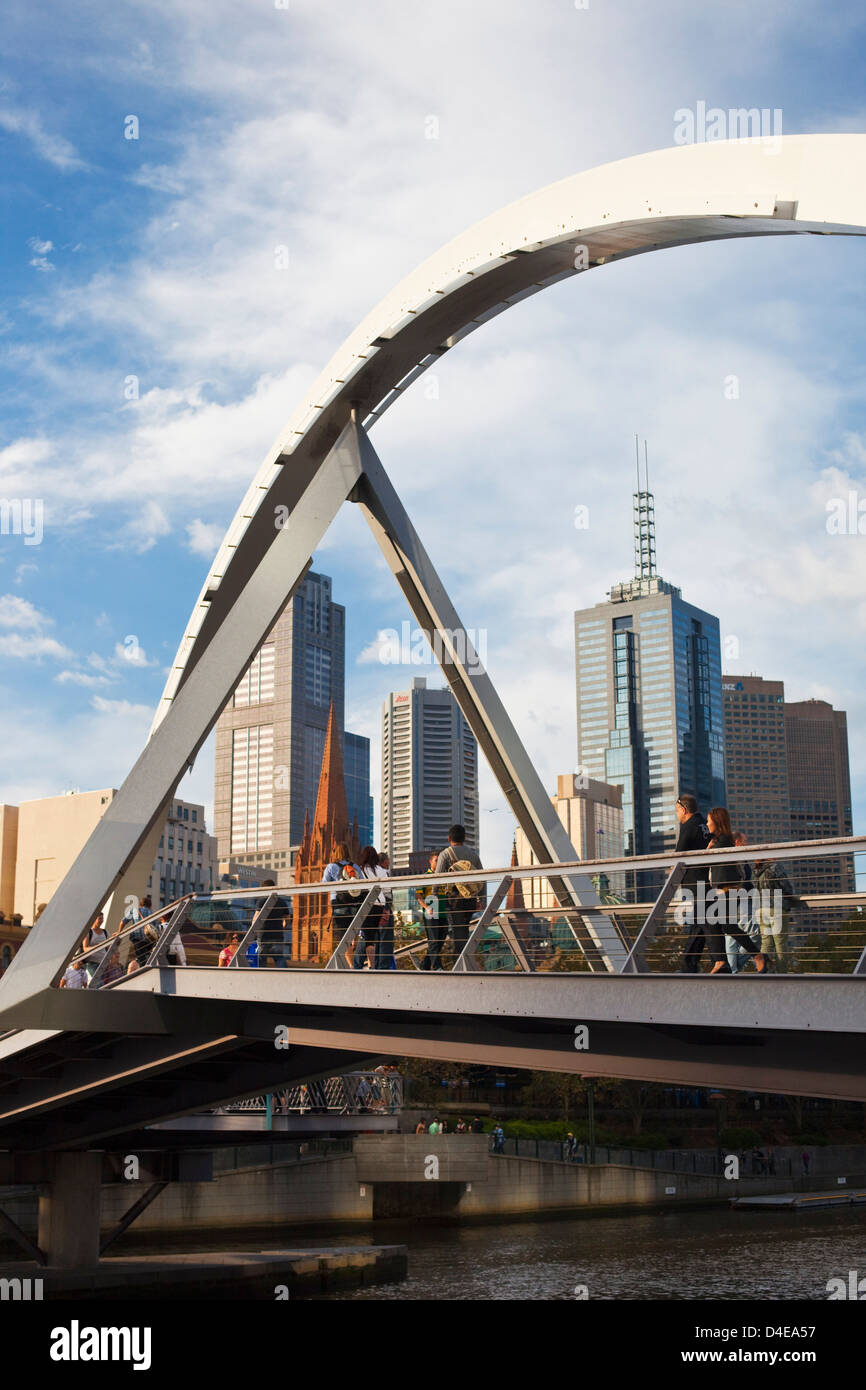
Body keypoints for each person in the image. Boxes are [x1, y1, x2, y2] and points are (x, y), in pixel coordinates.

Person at [704, 808, 766, 975]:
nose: (707, 824)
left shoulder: (723, 841)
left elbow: (710, 860)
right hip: (721, 889)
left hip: (728, 889)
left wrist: (709, 849)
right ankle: (725, 961)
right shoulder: (719, 840)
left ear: (717, 822)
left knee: (727, 926)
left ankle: (755, 956)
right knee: (720, 924)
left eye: (709, 820)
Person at [673, 795, 712, 972]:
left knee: (700, 923)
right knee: (704, 923)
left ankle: (691, 965)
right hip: (710, 880)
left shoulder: (688, 827)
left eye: (677, 811)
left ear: (684, 810)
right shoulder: (705, 824)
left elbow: (678, 855)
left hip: (694, 882)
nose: (677, 815)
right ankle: (700, 963)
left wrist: (675, 882)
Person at [436, 825, 484, 963]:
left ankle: (460, 964)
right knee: (463, 929)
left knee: (457, 932)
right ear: (465, 838)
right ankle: (465, 961)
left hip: (454, 899)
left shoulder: (445, 854)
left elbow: (437, 878)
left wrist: (434, 897)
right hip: (470, 898)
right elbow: (482, 877)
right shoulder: (473, 855)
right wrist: (481, 899)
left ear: (449, 838)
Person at [753, 858, 797, 973]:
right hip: (776, 907)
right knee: (780, 944)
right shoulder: (775, 867)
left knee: (766, 943)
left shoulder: (757, 870)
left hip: (761, 909)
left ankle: (763, 972)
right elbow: (786, 886)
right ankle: (782, 975)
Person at [725, 833, 760, 973]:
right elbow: (740, 881)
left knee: (732, 938)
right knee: (755, 933)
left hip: (738, 899)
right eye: (745, 841)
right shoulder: (735, 857)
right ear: (737, 842)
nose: (747, 844)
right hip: (737, 900)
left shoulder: (741, 858)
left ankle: (733, 970)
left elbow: (746, 882)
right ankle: (736, 966)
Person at [323, 842, 361, 958]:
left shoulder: (331, 867)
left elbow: (324, 884)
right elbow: (363, 883)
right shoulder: (355, 867)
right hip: (354, 903)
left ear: (335, 853)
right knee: (353, 929)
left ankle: (350, 968)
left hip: (339, 904)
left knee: (344, 938)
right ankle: (355, 941)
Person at [254, 879, 293, 968]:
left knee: (261, 959)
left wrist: (255, 932)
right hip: (278, 935)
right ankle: (285, 975)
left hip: (264, 935)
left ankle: (261, 978)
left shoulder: (262, 901)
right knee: (279, 958)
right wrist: (283, 927)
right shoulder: (281, 902)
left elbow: (255, 919)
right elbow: (288, 918)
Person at [420, 850, 448, 971]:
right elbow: (418, 896)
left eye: (440, 860)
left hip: (443, 912)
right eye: (436, 860)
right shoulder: (425, 876)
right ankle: (437, 966)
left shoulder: (444, 876)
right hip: (431, 912)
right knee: (433, 941)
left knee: (440, 940)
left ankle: (425, 965)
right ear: (430, 862)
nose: (438, 863)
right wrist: (427, 907)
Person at [81, 913, 108, 984]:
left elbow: (108, 948)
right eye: (100, 918)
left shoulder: (105, 932)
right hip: (92, 963)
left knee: (105, 984)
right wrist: (95, 948)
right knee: (99, 984)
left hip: (104, 963)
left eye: (102, 918)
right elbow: (85, 948)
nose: (101, 920)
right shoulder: (89, 932)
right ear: (94, 919)